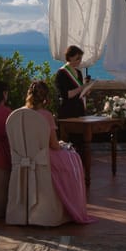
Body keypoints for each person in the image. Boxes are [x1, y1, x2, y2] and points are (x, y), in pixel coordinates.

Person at [23, 80, 94, 224]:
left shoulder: (21, 113)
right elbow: (54, 145)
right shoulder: (46, 115)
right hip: (43, 157)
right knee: (73, 158)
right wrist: (63, 146)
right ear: (45, 97)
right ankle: (71, 204)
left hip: (25, 156)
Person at [53, 46, 90, 120]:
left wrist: (86, 90)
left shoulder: (78, 72)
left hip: (79, 110)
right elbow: (66, 95)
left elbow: (79, 93)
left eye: (80, 58)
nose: (79, 61)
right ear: (70, 57)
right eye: (77, 58)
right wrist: (82, 87)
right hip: (68, 111)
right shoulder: (61, 73)